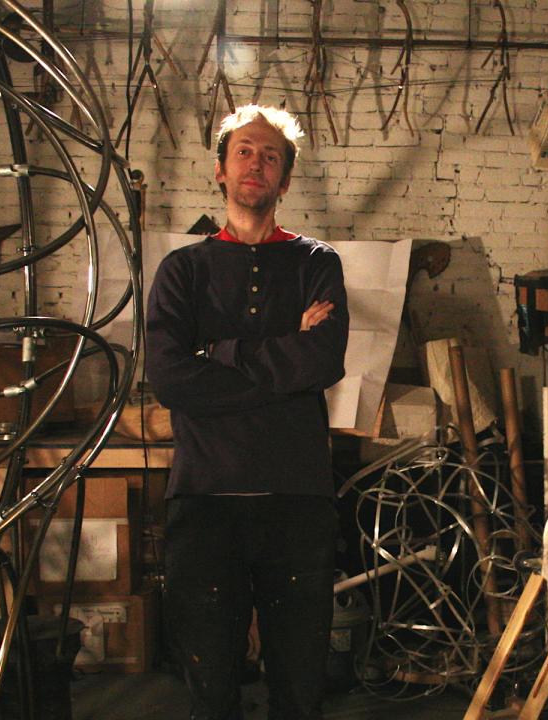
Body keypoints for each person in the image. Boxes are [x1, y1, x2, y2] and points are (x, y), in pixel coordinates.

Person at [145, 104, 348, 720]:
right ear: (220, 170)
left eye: (270, 156)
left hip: (298, 496)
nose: (256, 163)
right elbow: (170, 377)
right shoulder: (184, 269)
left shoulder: (316, 263)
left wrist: (220, 353)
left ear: (284, 180)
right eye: (244, 151)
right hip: (208, 496)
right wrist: (280, 367)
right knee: (210, 680)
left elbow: (321, 363)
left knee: (299, 678)